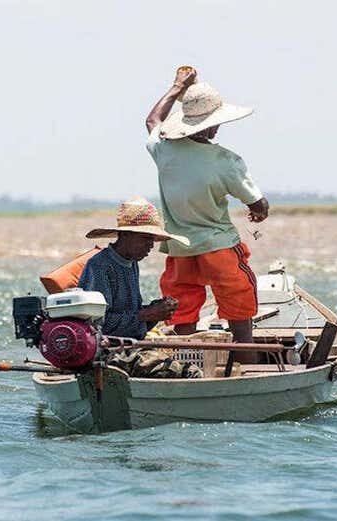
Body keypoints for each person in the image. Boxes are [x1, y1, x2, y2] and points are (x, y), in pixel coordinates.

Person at [145, 67, 270, 362]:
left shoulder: (164, 149)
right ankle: (247, 365)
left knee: (183, 310)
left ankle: (187, 366)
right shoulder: (225, 160)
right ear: (213, 126)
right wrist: (257, 214)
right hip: (218, 247)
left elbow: (152, 120)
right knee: (239, 305)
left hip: (179, 248)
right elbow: (259, 205)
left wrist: (176, 87)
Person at [78, 197, 188, 340]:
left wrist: (157, 311)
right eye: (145, 238)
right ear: (124, 235)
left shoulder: (131, 263)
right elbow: (96, 326)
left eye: (152, 239)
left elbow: (130, 315)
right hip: (106, 350)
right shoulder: (100, 266)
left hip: (129, 344)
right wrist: (147, 315)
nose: (151, 245)